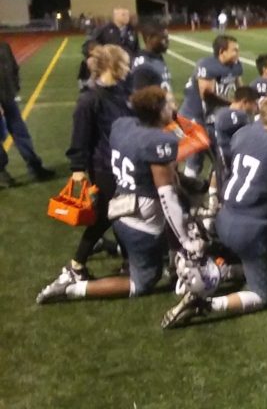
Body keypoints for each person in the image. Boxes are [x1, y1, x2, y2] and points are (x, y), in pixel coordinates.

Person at [162, 92, 267, 329]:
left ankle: (223, 271)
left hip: (225, 215)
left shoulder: (244, 133)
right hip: (249, 229)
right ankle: (207, 304)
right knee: (266, 294)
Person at [37, 86, 185, 303]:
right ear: (158, 110)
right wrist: (186, 240)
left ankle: (111, 246)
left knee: (179, 223)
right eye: (169, 103)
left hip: (119, 211)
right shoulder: (157, 141)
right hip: (142, 225)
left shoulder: (122, 126)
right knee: (144, 280)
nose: (174, 106)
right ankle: (72, 288)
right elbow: (167, 196)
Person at [45, 45, 130, 284]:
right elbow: (80, 137)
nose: (129, 68)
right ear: (111, 66)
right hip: (103, 166)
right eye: (124, 64)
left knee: (121, 213)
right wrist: (78, 170)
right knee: (106, 215)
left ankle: (128, 261)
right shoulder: (89, 99)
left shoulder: (121, 91)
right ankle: (76, 265)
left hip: (121, 164)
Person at [179, 35, 243, 177]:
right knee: (196, 154)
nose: (237, 54)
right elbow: (207, 95)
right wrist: (232, 104)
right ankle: (188, 187)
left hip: (212, 116)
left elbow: (239, 88)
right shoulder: (207, 65)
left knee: (221, 154)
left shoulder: (236, 65)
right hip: (193, 114)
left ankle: (215, 189)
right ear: (222, 51)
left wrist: (245, 100)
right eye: (234, 50)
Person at [0, 39, 55, 188]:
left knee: (20, 131)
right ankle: (2, 172)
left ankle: (34, 166)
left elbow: (13, 68)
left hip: (8, 96)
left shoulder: (4, 47)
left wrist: (15, 87)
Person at [130, 22, 172, 92]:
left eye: (167, 38)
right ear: (149, 39)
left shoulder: (156, 57)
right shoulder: (143, 66)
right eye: (163, 38)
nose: (167, 41)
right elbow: (140, 97)